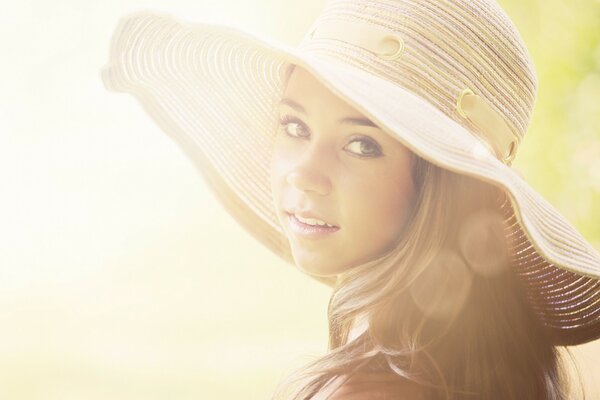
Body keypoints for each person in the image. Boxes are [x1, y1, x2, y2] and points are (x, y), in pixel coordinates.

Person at [101, 0, 600, 399]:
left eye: (362, 144)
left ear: (443, 185)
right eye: (294, 126)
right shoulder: (501, 366)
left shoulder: (358, 390)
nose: (304, 174)